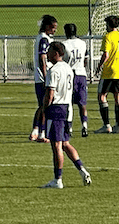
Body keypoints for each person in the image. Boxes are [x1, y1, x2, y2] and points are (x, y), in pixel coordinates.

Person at [37, 41, 92, 189]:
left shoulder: (53, 70)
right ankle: (82, 170)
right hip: (67, 109)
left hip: (56, 108)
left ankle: (58, 180)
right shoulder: (68, 68)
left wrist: (44, 109)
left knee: (57, 145)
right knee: (65, 143)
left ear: (56, 53)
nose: (47, 54)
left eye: (49, 51)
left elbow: (50, 93)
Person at [93, 14, 119, 134]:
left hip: (109, 72)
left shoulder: (108, 37)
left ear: (108, 25)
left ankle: (107, 125)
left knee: (102, 96)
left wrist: (99, 66)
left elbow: (106, 55)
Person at [30, 14, 57, 142]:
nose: (54, 30)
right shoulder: (44, 39)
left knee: (43, 105)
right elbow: (42, 58)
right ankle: (40, 132)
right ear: (46, 26)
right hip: (43, 78)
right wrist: (46, 76)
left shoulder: (43, 38)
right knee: (45, 105)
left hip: (41, 77)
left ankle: (37, 131)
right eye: (53, 27)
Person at [60, 23, 91, 136]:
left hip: (69, 75)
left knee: (69, 103)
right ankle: (84, 126)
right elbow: (85, 60)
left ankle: (69, 128)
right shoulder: (82, 43)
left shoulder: (64, 44)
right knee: (82, 103)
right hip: (81, 74)